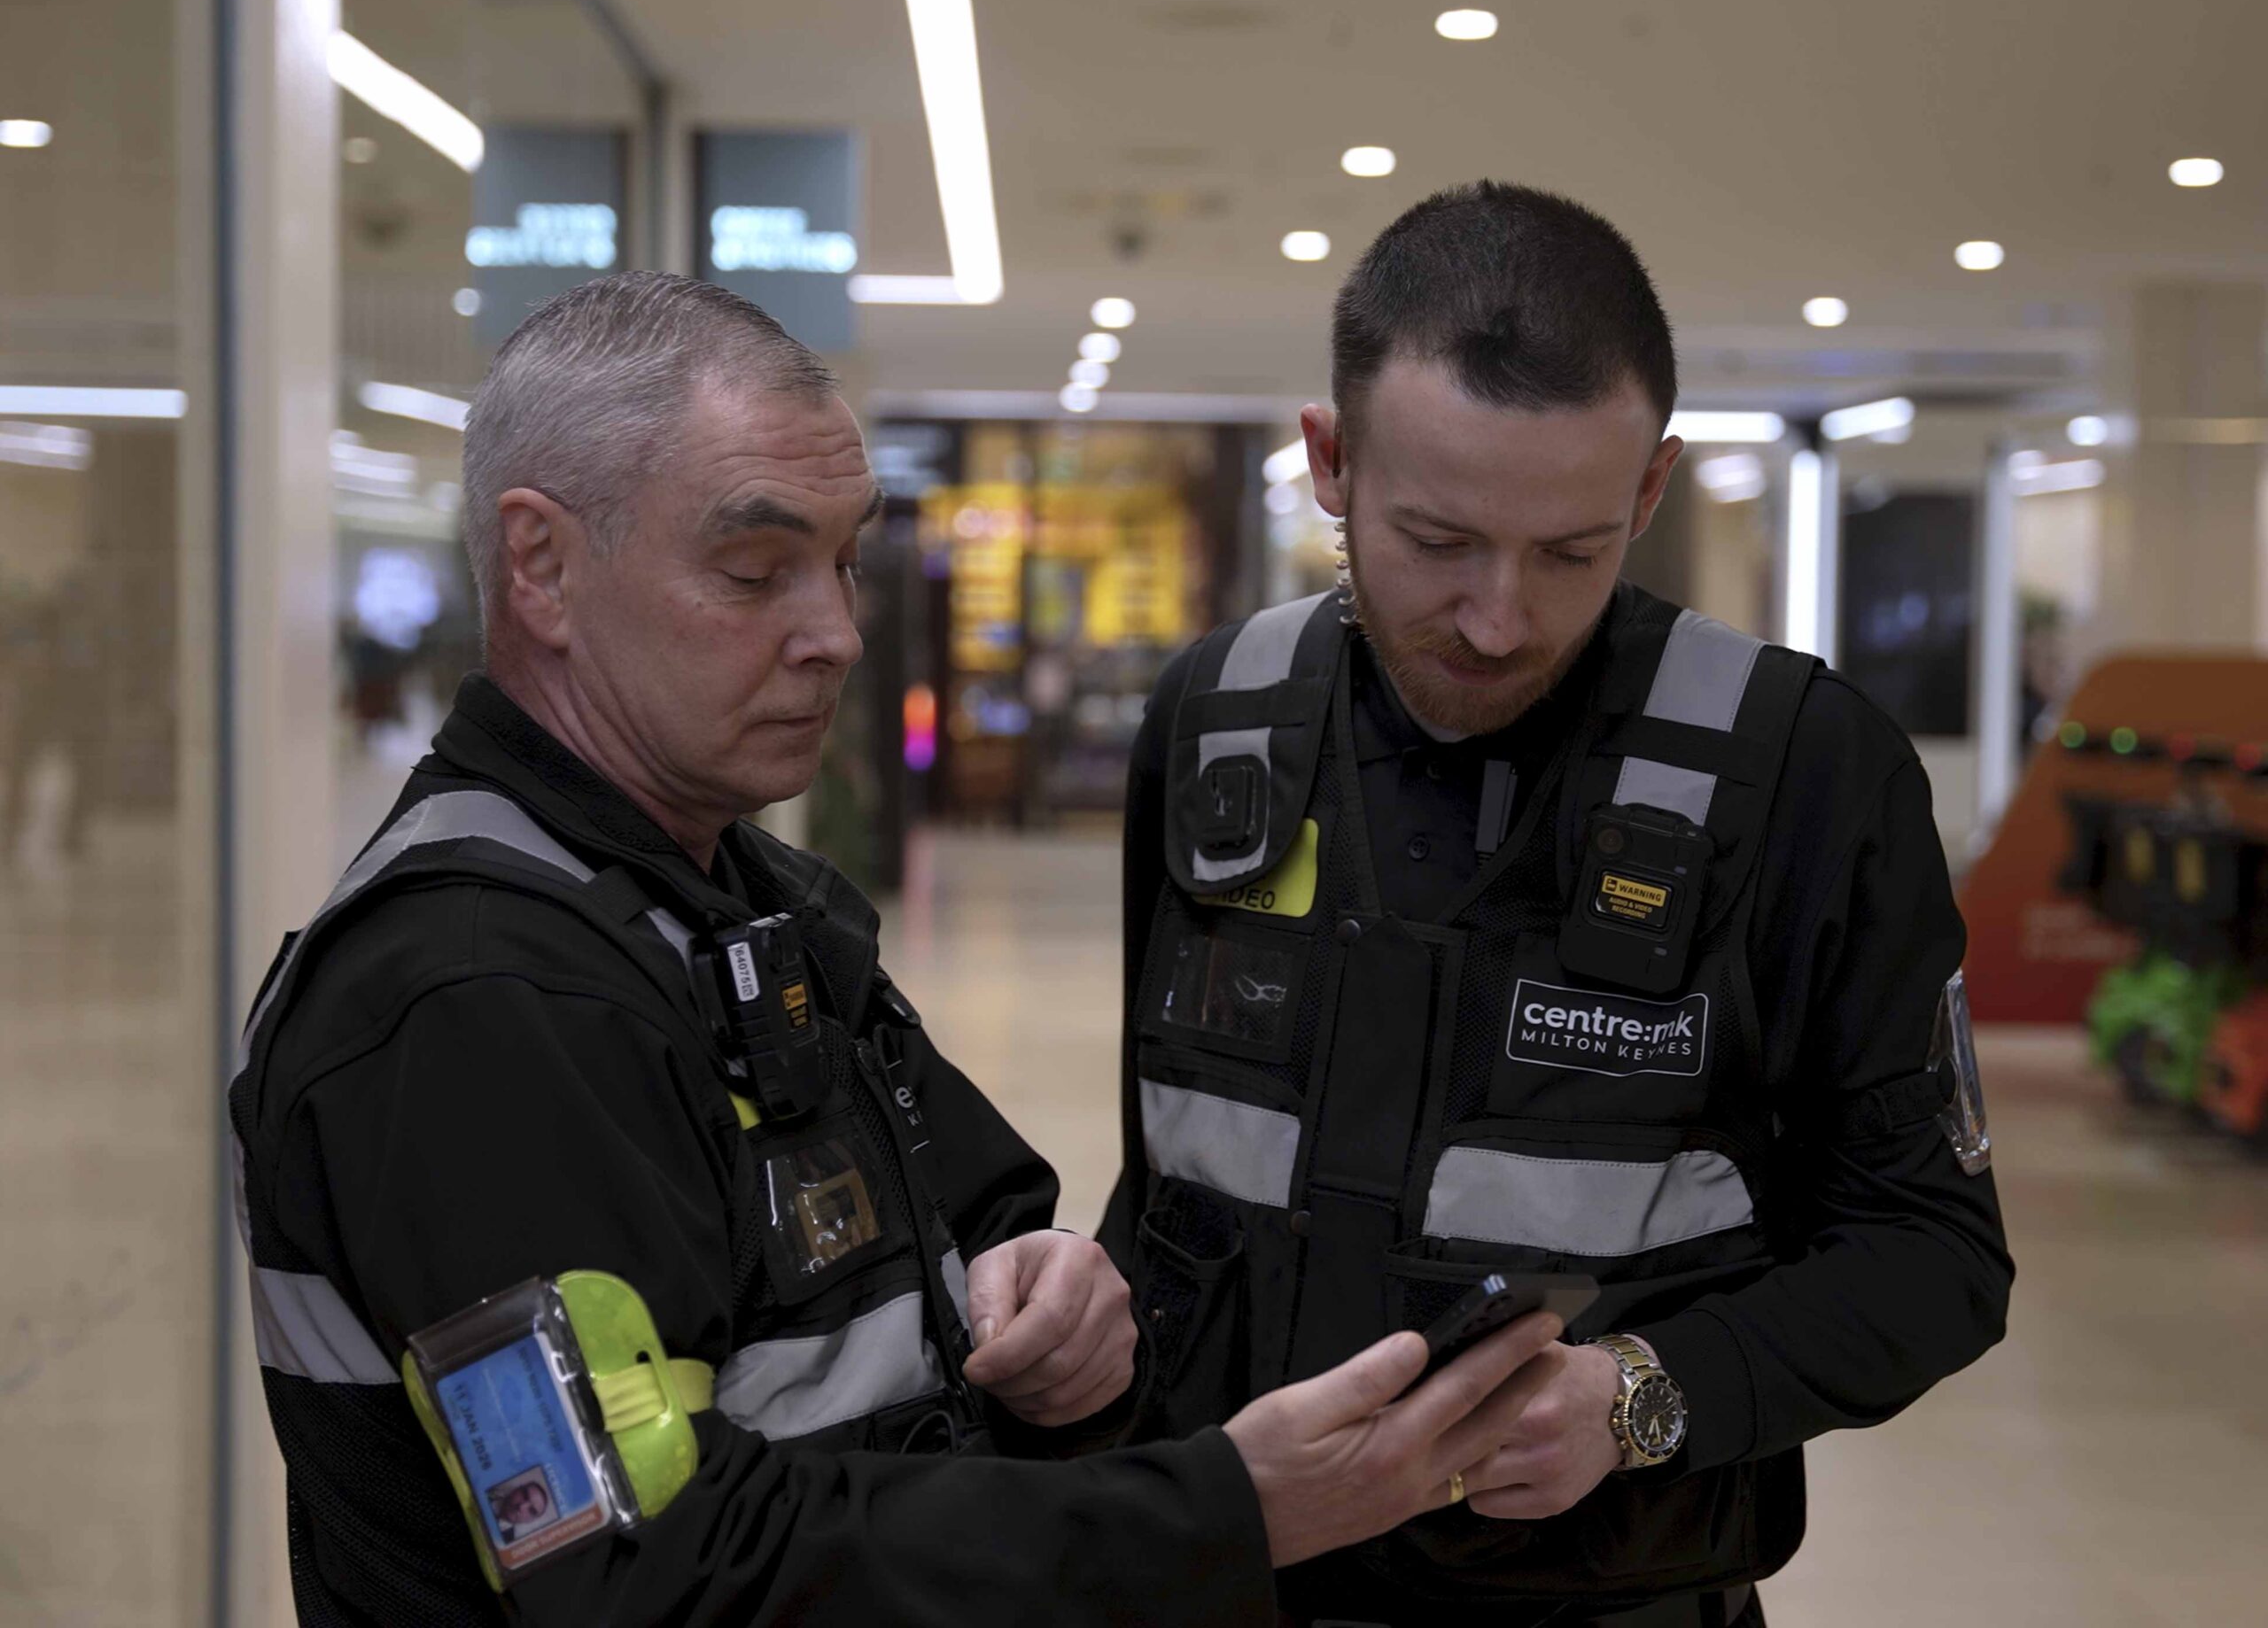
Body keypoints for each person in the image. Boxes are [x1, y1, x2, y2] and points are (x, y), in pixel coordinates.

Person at [228, 271, 1566, 1625]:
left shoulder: (754, 910)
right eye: (755, 572)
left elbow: (981, 1235)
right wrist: (1225, 1509)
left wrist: (1056, 1309)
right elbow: (642, 1573)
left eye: (844, 562)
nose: (836, 635)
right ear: (542, 565)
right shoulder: (468, 998)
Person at [1100, 182, 2016, 1627]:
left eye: (1572, 551)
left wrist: (1640, 1396)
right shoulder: (1217, 724)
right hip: (1225, 1585)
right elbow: (1166, 1183)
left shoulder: (1803, 771)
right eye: (1438, 540)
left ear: (1648, 492)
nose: (1498, 617)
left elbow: (1934, 1254)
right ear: (1331, 461)